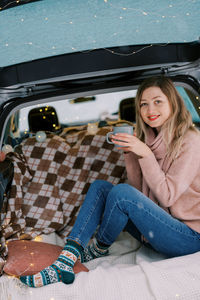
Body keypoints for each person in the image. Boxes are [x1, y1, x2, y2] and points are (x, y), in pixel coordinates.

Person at [20, 76, 200, 288]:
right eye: (143, 104)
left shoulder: (191, 140)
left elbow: (167, 195)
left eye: (158, 101)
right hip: (156, 229)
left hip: (188, 237)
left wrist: (145, 155)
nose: (150, 109)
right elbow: (136, 197)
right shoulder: (148, 140)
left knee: (121, 193)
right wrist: (131, 155)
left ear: (173, 103)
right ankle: (66, 259)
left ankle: (98, 248)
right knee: (101, 188)